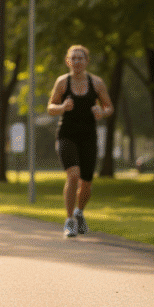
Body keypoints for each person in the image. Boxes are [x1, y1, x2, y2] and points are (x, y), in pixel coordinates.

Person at [47, 45, 113, 238]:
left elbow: (109, 106)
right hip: (66, 135)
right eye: (73, 58)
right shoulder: (62, 82)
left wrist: (102, 112)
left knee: (86, 184)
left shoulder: (97, 83)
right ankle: (69, 221)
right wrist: (62, 107)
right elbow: (50, 107)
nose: (77, 61)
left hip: (88, 137)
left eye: (80, 58)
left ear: (86, 61)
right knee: (73, 175)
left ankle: (79, 212)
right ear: (68, 61)